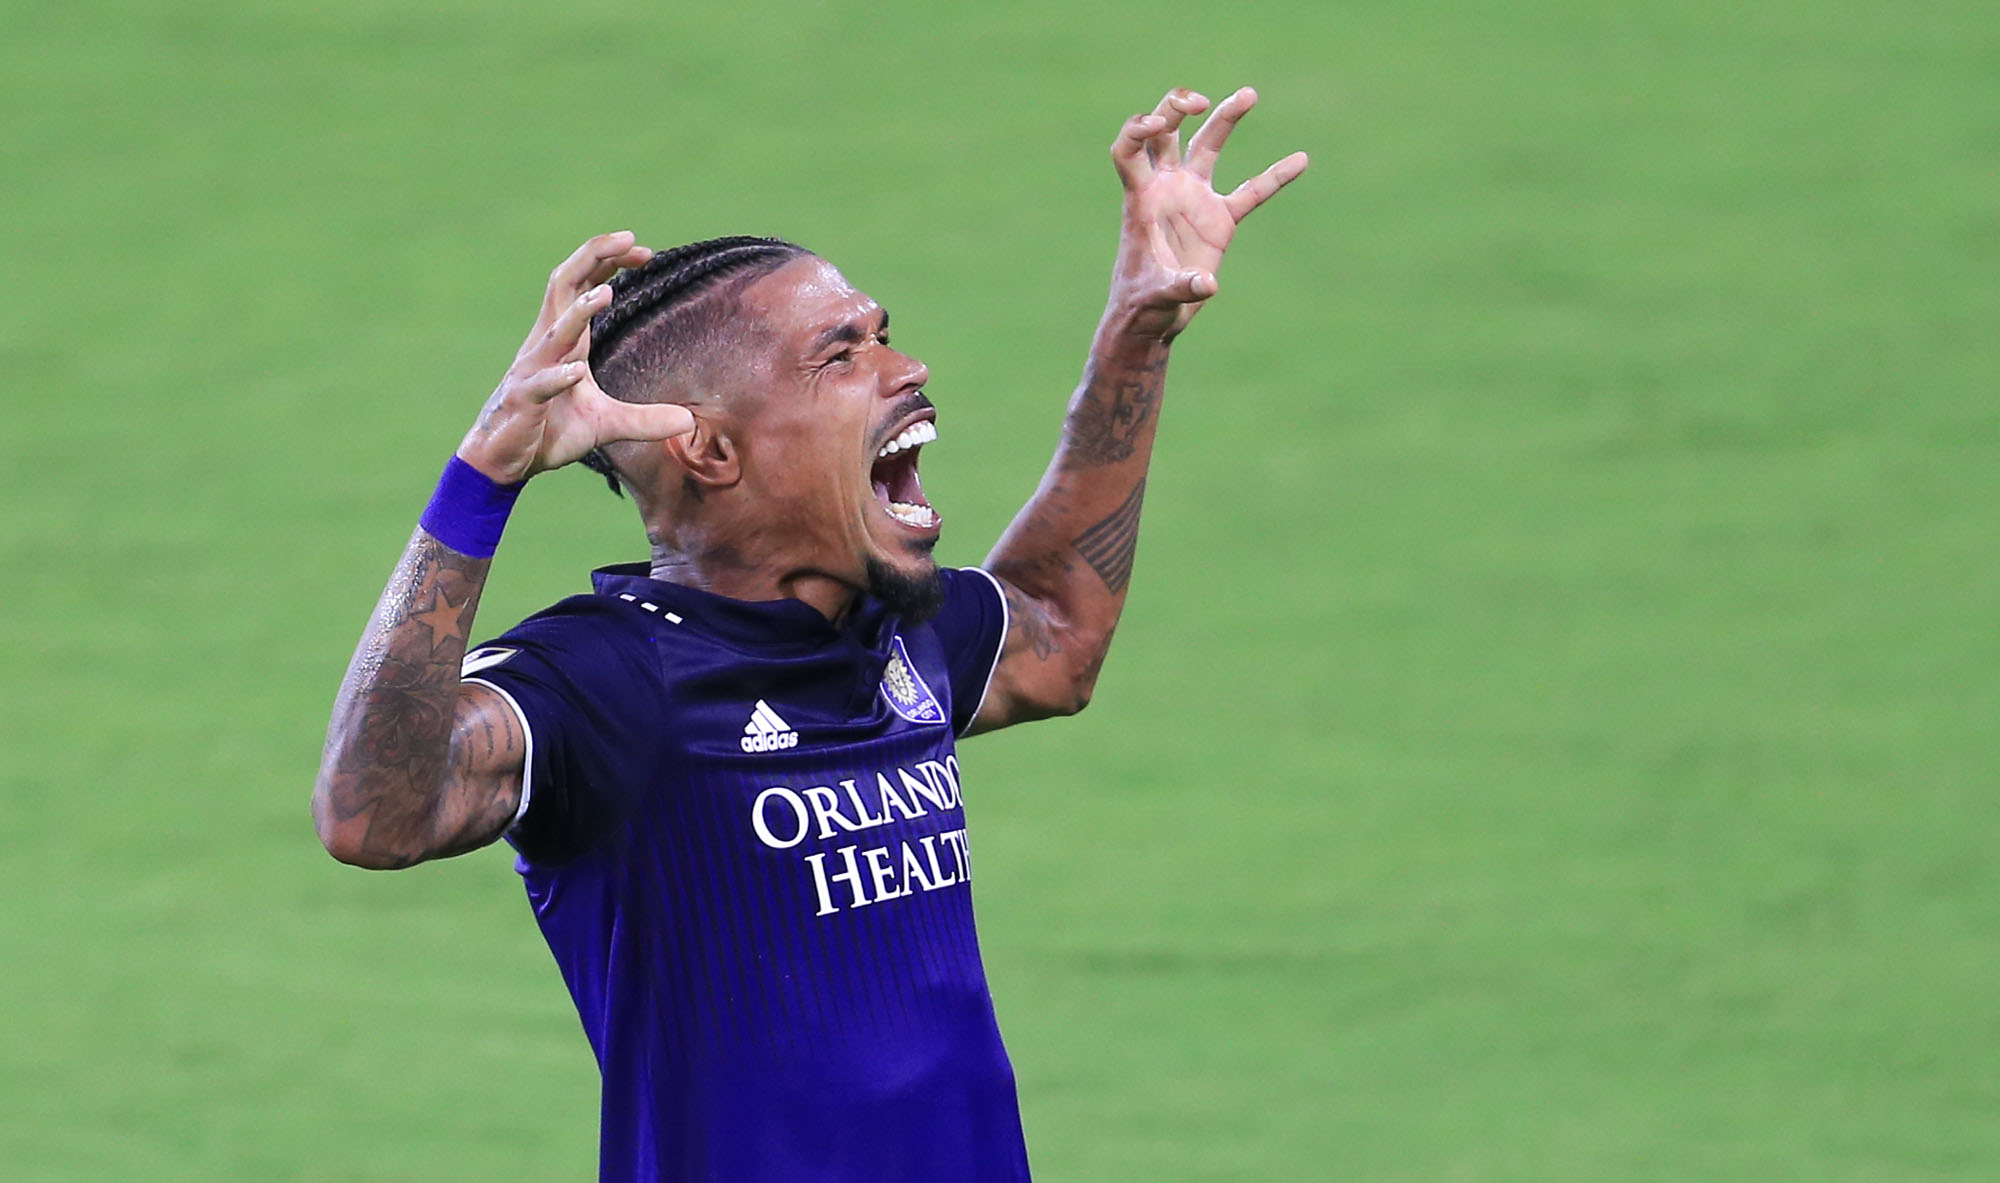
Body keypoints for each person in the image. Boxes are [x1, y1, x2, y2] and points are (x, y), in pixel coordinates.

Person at [312, 86, 1305, 1182]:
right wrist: (482, 478)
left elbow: (1056, 631)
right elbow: (374, 812)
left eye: (884, 336)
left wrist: (1137, 332)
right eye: (841, 357)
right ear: (711, 452)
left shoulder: (891, 627)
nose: (904, 368)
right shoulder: (609, 675)